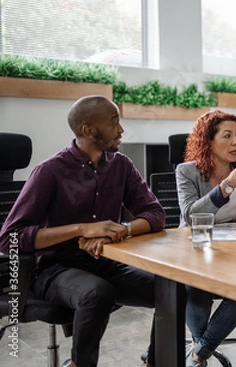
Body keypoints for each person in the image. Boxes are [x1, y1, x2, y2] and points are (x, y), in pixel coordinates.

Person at [0, 95, 166, 367]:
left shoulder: (121, 165)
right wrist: (82, 230)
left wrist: (120, 230)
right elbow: (10, 239)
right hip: (54, 270)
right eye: (114, 123)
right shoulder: (49, 171)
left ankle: (158, 361)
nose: (121, 130)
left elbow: (156, 214)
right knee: (97, 292)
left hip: (106, 262)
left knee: (171, 288)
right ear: (88, 130)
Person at [175, 110, 236, 367]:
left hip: (235, 250)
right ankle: (202, 348)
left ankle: (200, 350)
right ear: (208, 141)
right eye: (227, 136)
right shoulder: (187, 172)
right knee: (198, 286)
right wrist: (226, 186)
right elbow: (192, 216)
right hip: (197, 249)